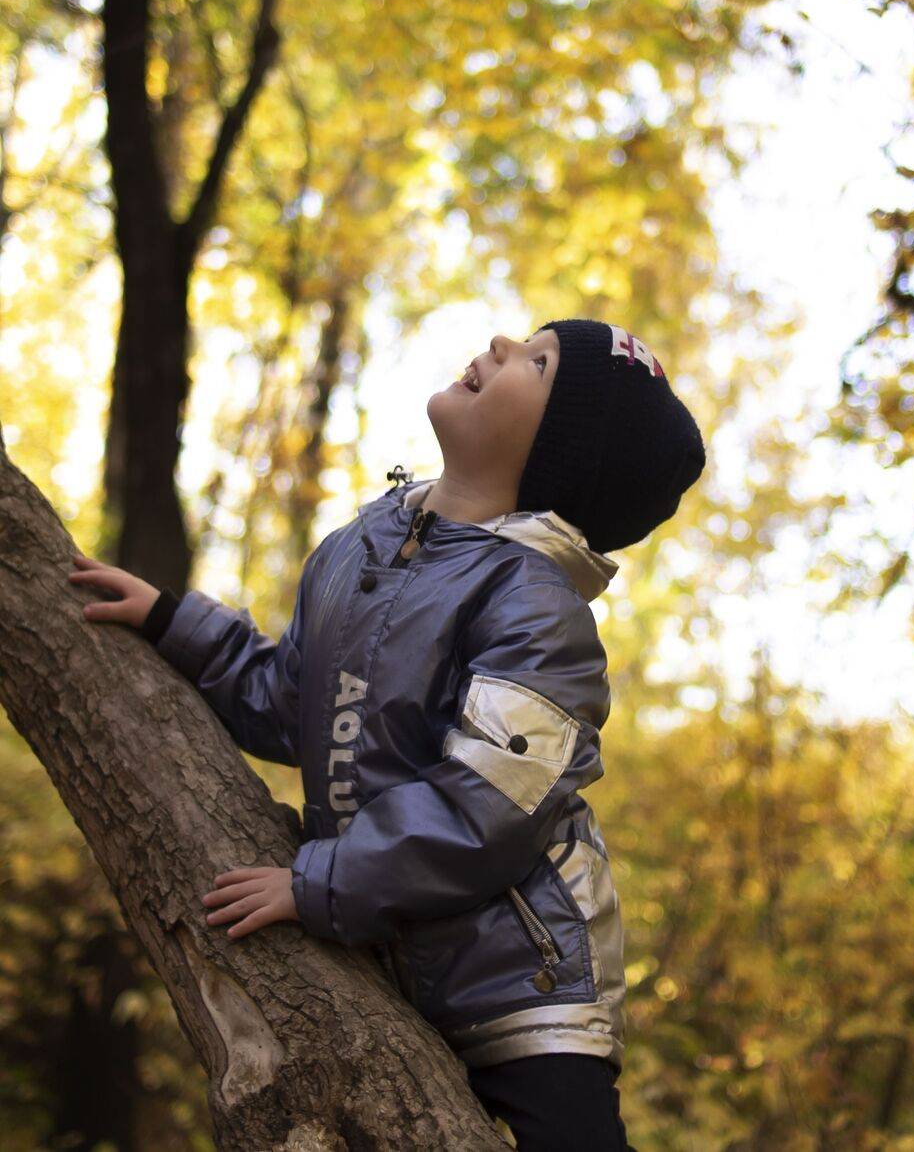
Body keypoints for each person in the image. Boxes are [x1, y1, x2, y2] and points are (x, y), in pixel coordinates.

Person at [68, 318, 706, 1151]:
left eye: (539, 362)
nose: (503, 343)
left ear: (562, 457)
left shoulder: (535, 607)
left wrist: (319, 884)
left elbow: (488, 807)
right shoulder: (356, 551)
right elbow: (285, 702)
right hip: (382, 952)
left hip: (522, 986)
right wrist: (170, 622)